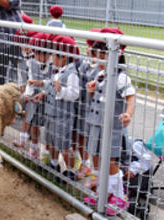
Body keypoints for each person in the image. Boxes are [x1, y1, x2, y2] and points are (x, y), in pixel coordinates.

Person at [83, 28, 135, 215]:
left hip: (112, 127)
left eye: (101, 56)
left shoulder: (121, 78)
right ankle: (102, 193)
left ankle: (118, 196)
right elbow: (95, 95)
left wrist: (128, 114)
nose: (98, 60)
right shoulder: (100, 75)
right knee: (96, 158)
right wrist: (91, 89)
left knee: (111, 162)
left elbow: (130, 97)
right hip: (96, 124)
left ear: (114, 55)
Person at [34, 35, 80, 180]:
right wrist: (42, 90)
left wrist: (61, 90)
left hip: (63, 116)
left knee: (64, 144)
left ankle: (71, 170)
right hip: (51, 112)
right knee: (51, 140)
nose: (52, 59)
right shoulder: (57, 71)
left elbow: (75, 94)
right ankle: (53, 163)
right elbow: (51, 85)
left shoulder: (71, 74)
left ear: (64, 57)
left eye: (55, 56)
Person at [15, 33, 53, 158]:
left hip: (48, 97)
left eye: (40, 54)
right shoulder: (32, 62)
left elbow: (53, 82)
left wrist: (43, 91)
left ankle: (47, 152)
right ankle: (34, 147)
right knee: (33, 120)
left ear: (47, 54)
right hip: (34, 96)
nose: (37, 57)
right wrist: (27, 95)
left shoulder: (53, 65)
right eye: (35, 54)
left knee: (48, 125)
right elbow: (30, 80)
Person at [74, 28, 102, 180]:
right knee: (80, 136)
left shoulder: (101, 68)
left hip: (94, 110)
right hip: (81, 107)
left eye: (91, 46)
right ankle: (84, 164)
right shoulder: (84, 65)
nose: (88, 49)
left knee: (94, 140)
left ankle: (95, 172)